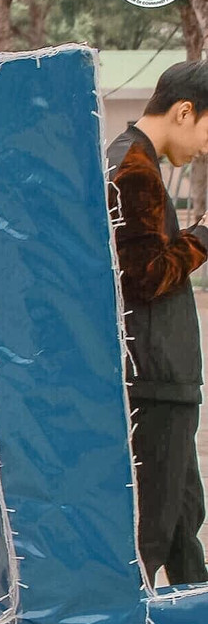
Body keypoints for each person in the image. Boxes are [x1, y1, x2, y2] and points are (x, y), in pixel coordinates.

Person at [107, 59, 208, 588]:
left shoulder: (132, 158)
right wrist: (204, 236)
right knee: (155, 528)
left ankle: (195, 615)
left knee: (183, 519)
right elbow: (145, 277)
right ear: (185, 111)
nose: (206, 147)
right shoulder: (135, 170)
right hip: (156, 374)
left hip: (163, 373)